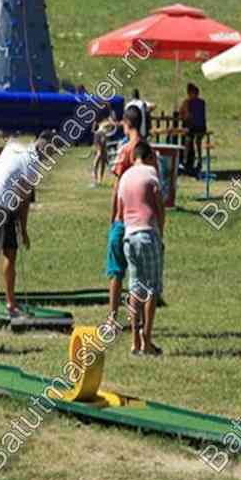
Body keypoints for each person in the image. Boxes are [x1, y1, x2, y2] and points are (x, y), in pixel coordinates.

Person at [0, 131, 50, 315]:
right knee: (9, 254)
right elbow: (24, 202)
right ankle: (11, 303)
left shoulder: (15, 146)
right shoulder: (33, 167)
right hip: (3, 202)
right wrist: (23, 230)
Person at [118, 141, 165, 356]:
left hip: (129, 236)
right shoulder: (150, 172)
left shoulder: (125, 176)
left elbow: (121, 211)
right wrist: (161, 234)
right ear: (147, 156)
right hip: (147, 234)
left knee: (135, 288)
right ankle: (147, 339)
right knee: (152, 288)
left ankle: (135, 340)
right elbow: (159, 204)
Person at [105, 105, 144, 327]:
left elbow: (117, 186)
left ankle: (112, 318)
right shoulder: (147, 150)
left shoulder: (126, 149)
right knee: (139, 273)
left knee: (116, 269)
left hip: (123, 216)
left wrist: (113, 218)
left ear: (125, 124)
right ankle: (136, 319)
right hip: (142, 218)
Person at [180, 83, 207, 174]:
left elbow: (185, 116)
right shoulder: (202, 102)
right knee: (197, 143)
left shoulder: (187, 102)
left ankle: (185, 161)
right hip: (202, 129)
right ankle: (198, 160)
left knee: (187, 139)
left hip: (193, 129)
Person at [91, 107, 118, 187]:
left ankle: (99, 180)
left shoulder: (106, 117)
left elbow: (113, 124)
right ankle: (95, 177)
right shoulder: (107, 117)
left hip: (102, 135)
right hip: (101, 135)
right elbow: (113, 124)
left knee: (103, 158)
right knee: (100, 155)